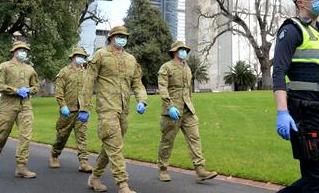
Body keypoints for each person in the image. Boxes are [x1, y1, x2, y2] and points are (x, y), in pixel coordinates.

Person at [272, 0, 319, 192]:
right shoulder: (291, 30)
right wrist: (282, 112)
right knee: (318, 179)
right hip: (303, 113)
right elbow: (279, 72)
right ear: (301, 2)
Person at [80, 25, 148, 193]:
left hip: (123, 110)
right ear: (111, 37)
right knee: (115, 145)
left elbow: (137, 83)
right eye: (118, 35)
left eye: (124, 36)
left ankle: (95, 177)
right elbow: (88, 82)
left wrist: (142, 100)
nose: (122, 38)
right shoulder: (100, 55)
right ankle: (123, 184)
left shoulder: (131, 60)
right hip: (106, 108)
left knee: (110, 146)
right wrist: (84, 107)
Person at [156, 41, 217, 183]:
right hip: (172, 111)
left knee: (195, 138)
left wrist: (191, 105)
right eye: (181, 49)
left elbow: (188, 90)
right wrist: (169, 106)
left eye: (185, 50)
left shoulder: (187, 68)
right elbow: (163, 88)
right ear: (174, 52)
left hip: (188, 111)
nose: (184, 52)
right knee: (167, 141)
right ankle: (163, 169)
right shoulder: (166, 67)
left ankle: (200, 169)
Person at [0, 40, 39, 178]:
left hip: (25, 107)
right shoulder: (5, 66)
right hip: (7, 107)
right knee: (1, 136)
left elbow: (36, 87)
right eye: (21, 50)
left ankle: (21, 166)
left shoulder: (30, 69)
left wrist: (29, 90)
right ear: (14, 51)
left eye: (25, 51)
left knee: (26, 137)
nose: (23, 53)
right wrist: (15, 90)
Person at [49, 45, 94, 172]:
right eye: (78, 56)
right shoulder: (64, 72)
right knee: (62, 136)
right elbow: (59, 92)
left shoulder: (87, 74)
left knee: (82, 136)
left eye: (83, 57)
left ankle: (84, 162)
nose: (81, 59)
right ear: (73, 57)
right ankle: (54, 154)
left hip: (82, 111)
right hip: (68, 111)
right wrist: (63, 106)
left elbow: (88, 93)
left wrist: (87, 108)